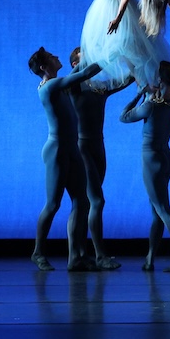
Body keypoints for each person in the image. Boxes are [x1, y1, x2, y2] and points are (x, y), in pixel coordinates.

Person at [28, 47, 102, 271]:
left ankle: (77, 256)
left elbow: (79, 69)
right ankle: (38, 252)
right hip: (57, 150)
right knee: (53, 204)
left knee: (83, 201)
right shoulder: (49, 86)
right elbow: (83, 74)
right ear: (43, 67)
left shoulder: (59, 84)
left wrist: (96, 50)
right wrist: (109, 54)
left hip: (71, 149)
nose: (58, 57)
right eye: (52, 57)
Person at [68, 48, 133, 271]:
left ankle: (80, 255)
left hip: (98, 145)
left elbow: (126, 79)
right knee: (96, 200)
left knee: (89, 203)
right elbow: (84, 71)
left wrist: (134, 60)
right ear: (75, 63)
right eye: (83, 55)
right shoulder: (72, 84)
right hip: (82, 147)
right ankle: (99, 255)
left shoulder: (99, 86)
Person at [119, 61, 170, 272]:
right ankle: (150, 258)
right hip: (166, 156)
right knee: (157, 209)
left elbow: (124, 116)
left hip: (151, 158)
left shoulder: (151, 105)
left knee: (163, 209)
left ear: (159, 80)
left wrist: (141, 93)